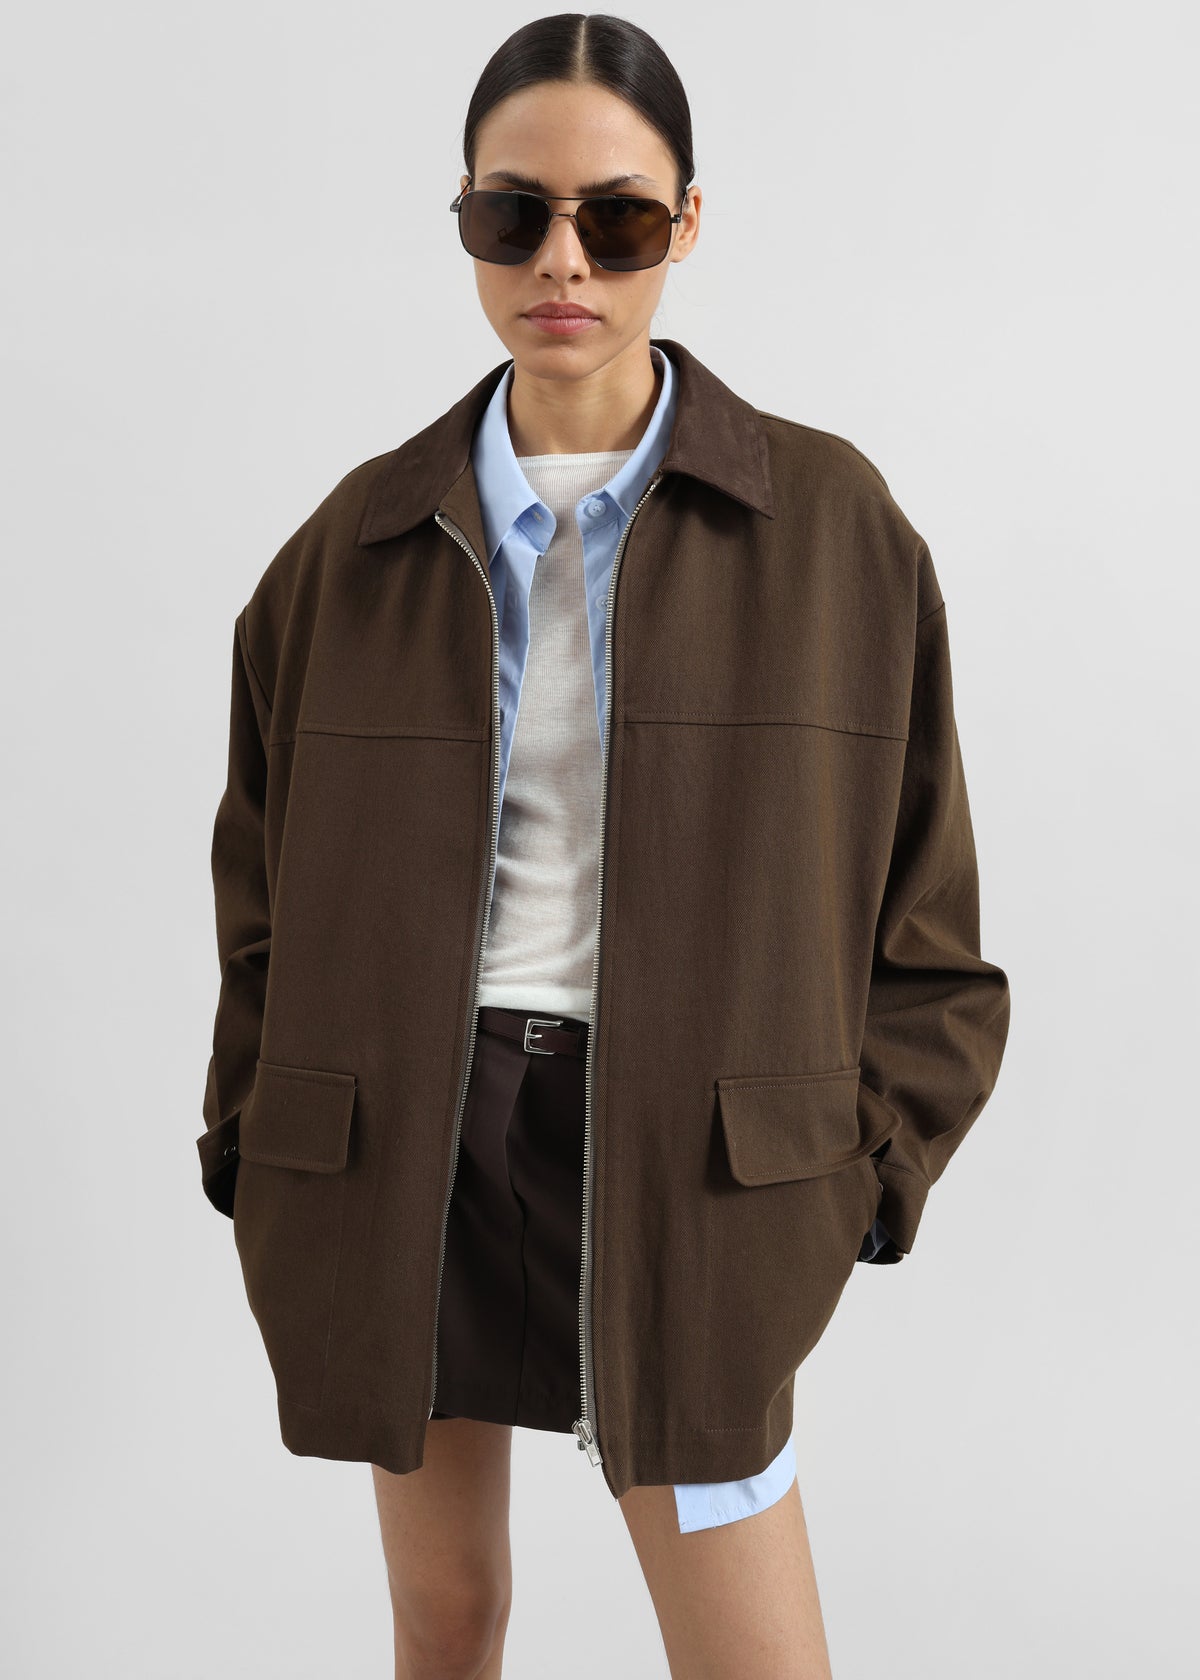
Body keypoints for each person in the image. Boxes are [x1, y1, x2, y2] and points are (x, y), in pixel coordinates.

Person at [197, 13, 1010, 1678]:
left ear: (686, 223)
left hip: (695, 1169)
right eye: (513, 214)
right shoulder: (348, 549)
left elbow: (925, 920)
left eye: (617, 218)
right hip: (407, 1141)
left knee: (753, 1660)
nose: (560, 261)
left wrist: (859, 1179)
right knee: (446, 1617)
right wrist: (252, 1142)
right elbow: (260, 901)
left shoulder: (834, 533)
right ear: (465, 218)